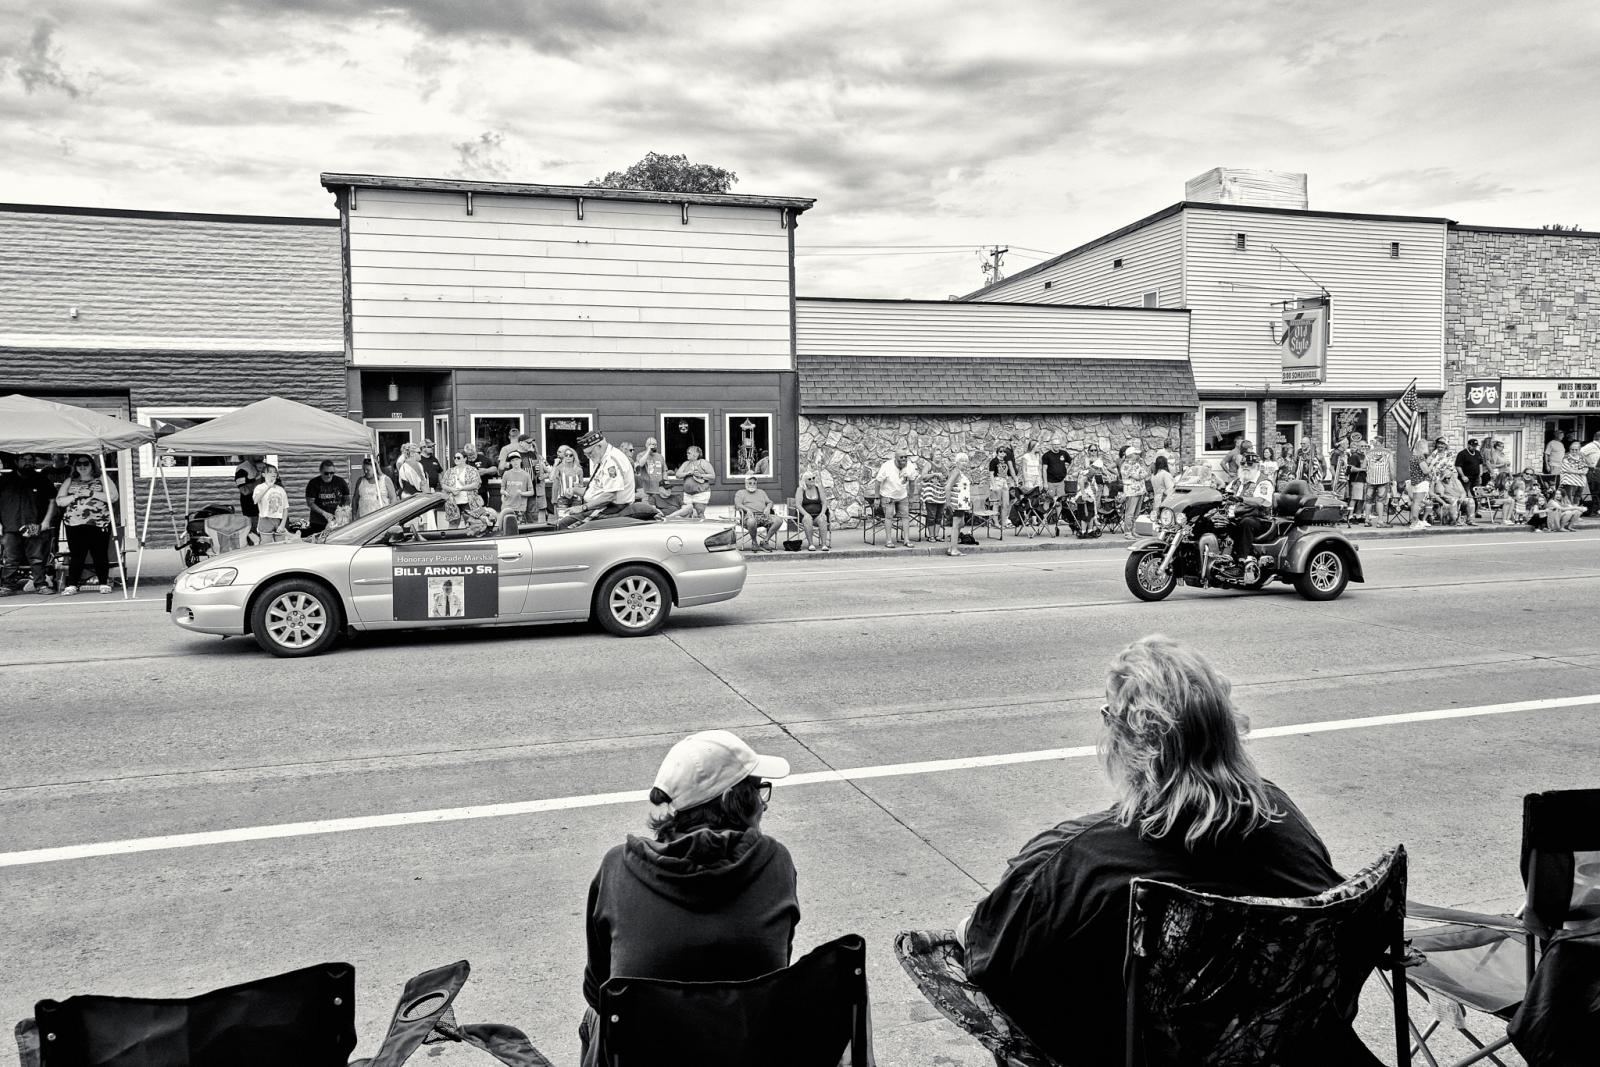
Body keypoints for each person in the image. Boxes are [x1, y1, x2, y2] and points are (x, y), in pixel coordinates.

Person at [957, 636, 1374, 1067]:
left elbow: (989, 961)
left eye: (1108, 716)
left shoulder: (1079, 856)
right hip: (1300, 1049)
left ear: (1125, 738)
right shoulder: (1281, 816)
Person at [580, 729, 796, 1067]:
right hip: (747, 1053)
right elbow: (776, 962)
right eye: (757, 790)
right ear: (731, 802)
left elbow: (597, 991)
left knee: (595, 1018)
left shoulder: (617, 868)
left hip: (648, 1054)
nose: (763, 804)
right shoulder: (775, 862)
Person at [54, 455, 115, 595]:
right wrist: (75, 496)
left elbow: (113, 497)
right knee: (77, 554)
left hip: (99, 522)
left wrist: (91, 493)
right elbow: (60, 501)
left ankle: (103, 583)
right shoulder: (70, 481)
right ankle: (72, 584)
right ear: (75, 466)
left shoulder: (102, 479)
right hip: (74, 523)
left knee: (99, 553)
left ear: (92, 465)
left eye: (86, 463)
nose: (82, 466)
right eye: (78, 464)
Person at [1, 454, 58, 596]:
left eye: (30, 460)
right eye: (23, 460)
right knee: (10, 559)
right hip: (10, 525)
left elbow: (53, 500)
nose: (27, 463)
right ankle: (8, 586)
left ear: (34, 462)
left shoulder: (41, 479)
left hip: (35, 525)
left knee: (37, 558)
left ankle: (40, 585)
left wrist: (46, 522)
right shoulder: (4, 480)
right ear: (16, 461)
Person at [562, 429, 635, 527]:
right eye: (586, 454)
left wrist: (583, 507)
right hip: (601, 506)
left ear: (599, 446)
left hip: (611, 508)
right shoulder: (602, 458)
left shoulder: (611, 462)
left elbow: (610, 496)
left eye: (590, 453)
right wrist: (574, 490)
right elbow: (596, 491)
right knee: (564, 519)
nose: (588, 457)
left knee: (566, 524)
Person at [874, 450, 919, 548]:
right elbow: (877, 482)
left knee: (905, 516)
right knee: (889, 517)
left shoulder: (910, 466)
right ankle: (889, 541)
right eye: (901, 457)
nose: (904, 459)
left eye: (905, 457)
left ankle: (906, 540)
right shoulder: (887, 466)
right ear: (896, 458)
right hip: (888, 495)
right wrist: (877, 497)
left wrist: (911, 497)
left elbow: (912, 482)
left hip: (902, 495)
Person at [303, 460, 350, 536]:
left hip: (337, 521)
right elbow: (310, 503)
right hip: (318, 521)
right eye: (326, 473)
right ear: (321, 471)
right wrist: (324, 513)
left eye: (332, 473)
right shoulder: (313, 483)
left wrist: (343, 511)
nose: (329, 475)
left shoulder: (340, 481)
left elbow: (347, 498)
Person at [670, 445, 715, 520]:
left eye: (689, 453)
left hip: (701, 493)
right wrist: (688, 473)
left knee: (699, 513)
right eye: (687, 453)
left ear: (696, 454)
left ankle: (702, 529)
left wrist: (700, 475)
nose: (687, 454)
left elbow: (712, 476)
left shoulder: (703, 463)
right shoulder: (686, 463)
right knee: (687, 513)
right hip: (687, 495)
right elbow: (678, 475)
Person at [734, 476, 778, 552]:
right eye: (750, 483)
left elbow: (770, 502)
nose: (752, 485)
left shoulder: (761, 492)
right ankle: (754, 542)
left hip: (763, 516)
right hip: (748, 516)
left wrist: (768, 508)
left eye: (754, 483)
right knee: (751, 521)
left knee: (778, 520)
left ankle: (765, 541)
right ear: (745, 483)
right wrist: (747, 509)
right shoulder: (740, 493)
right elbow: (737, 504)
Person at [794, 468, 830, 552]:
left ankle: (824, 544)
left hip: (817, 514)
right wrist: (806, 514)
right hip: (805, 515)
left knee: (823, 518)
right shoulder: (800, 489)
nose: (812, 480)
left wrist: (822, 512)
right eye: (809, 479)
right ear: (804, 481)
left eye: (813, 478)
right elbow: (798, 504)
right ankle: (811, 544)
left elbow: (824, 502)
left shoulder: (818, 488)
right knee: (807, 519)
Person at [945, 452, 973, 557]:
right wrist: (948, 503)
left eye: (966, 461)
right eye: (962, 461)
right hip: (957, 503)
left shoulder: (960, 473)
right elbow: (947, 487)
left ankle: (952, 547)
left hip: (962, 503)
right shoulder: (957, 472)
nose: (964, 463)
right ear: (957, 462)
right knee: (956, 525)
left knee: (961, 524)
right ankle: (954, 549)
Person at [252, 464, 290, 543]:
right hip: (265, 519)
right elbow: (256, 500)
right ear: (263, 474)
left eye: (275, 472)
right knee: (267, 545)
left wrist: (282, 524)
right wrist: (268, 486)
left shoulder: (280, 489)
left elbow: (285, 508)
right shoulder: (259, 487)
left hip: (278, 520)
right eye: (270, 472)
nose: (273, 474)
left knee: (280, 545)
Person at [1118, 442, 1149, 538]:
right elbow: (1137, 476)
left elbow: (1145, 473)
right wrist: (1141, 475)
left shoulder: (1137, 464)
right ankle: (1127, 532)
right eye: (1136, 454)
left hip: (1140, 490)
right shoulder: (1126, 465)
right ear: (1131, 455)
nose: (1138, 455)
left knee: (1136, 513)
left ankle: (1133, 531)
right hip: (1131, 491)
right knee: (1130, 513)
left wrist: (1141, 474)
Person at [499, 451, 534, 532]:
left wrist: (521, 493)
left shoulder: (526, 475)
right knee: (505, 529)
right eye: (512, 460)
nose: (515, 462)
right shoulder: (506, 474)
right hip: (506, 506)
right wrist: (504, 492)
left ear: (520, 460)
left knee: (519, 530)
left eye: (516, 460)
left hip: (520, 507)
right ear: (510, 462)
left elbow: (531, 492)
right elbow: (501, 489)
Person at [1365, 434, 1395, 526]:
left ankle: (1366, 520)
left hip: (1370, 479)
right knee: (1380, 500)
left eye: (1374, 442)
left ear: (1377, 442)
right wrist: (1393, 479)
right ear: (1382, 443)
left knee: (1368, 500)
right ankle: (1380, 521)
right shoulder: (1388, 453)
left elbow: (1364, 466)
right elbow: (1391, 467)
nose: (1373, 443)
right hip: (1383, 479)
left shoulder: (1368, 453)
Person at [232, 454, 264, 532]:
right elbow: (244, 491)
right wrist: (259, 478)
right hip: (252, 510)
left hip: (267, 508)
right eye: (257, 454)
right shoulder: (242, 469)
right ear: (249, 454)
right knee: (254, 533)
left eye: (263, 454)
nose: (261, 456)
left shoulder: (267, 467)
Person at [1559, 440, 1588, 506]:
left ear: (1579, 450)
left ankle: (1575, 508)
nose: (1574, 451)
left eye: (1576, 450)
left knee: (1578, 494)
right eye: (1572, 449)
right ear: (1570, 450)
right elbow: (1567, 469)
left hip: (1580, 479)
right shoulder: (1566, 457)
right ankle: (1570, 508)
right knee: (1569, 495)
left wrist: (1575, 471)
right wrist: (1580, 472)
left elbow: (1585, 469)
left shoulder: (1581, 458)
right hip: (1569, 479)